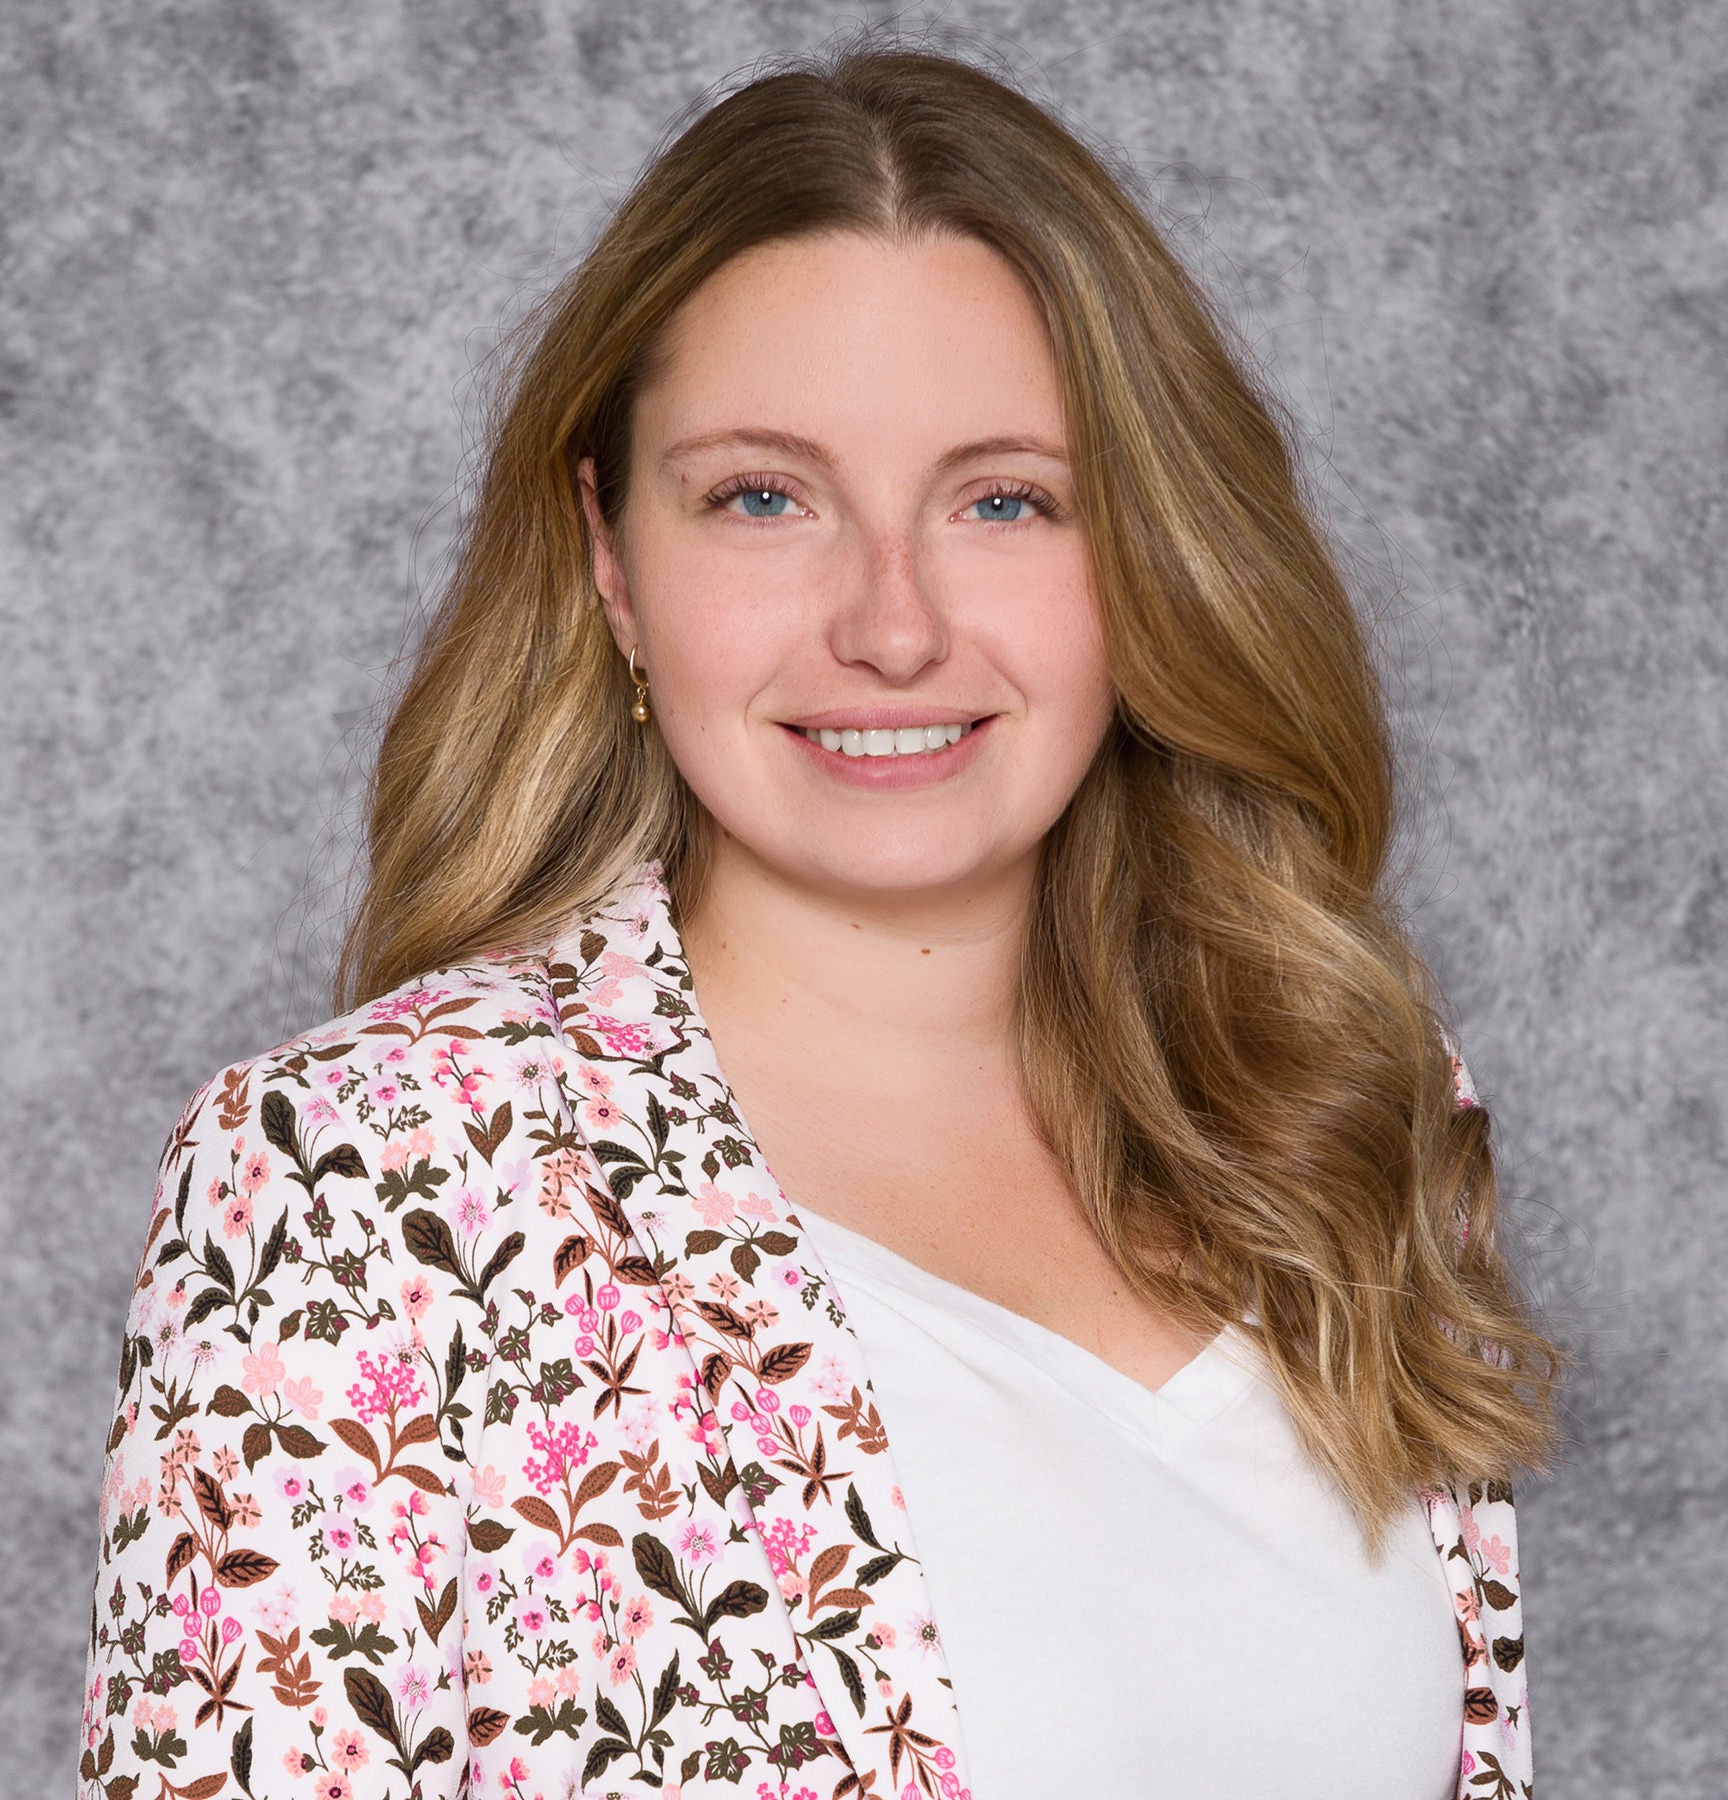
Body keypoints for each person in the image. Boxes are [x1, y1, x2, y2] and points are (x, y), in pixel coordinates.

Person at [78, 38, 1562, 1800]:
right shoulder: (366, 1178)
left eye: (1004, 499)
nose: (895, 626)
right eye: (764, 498)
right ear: (616, 561)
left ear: (1148, 555)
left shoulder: (1343, 1105)